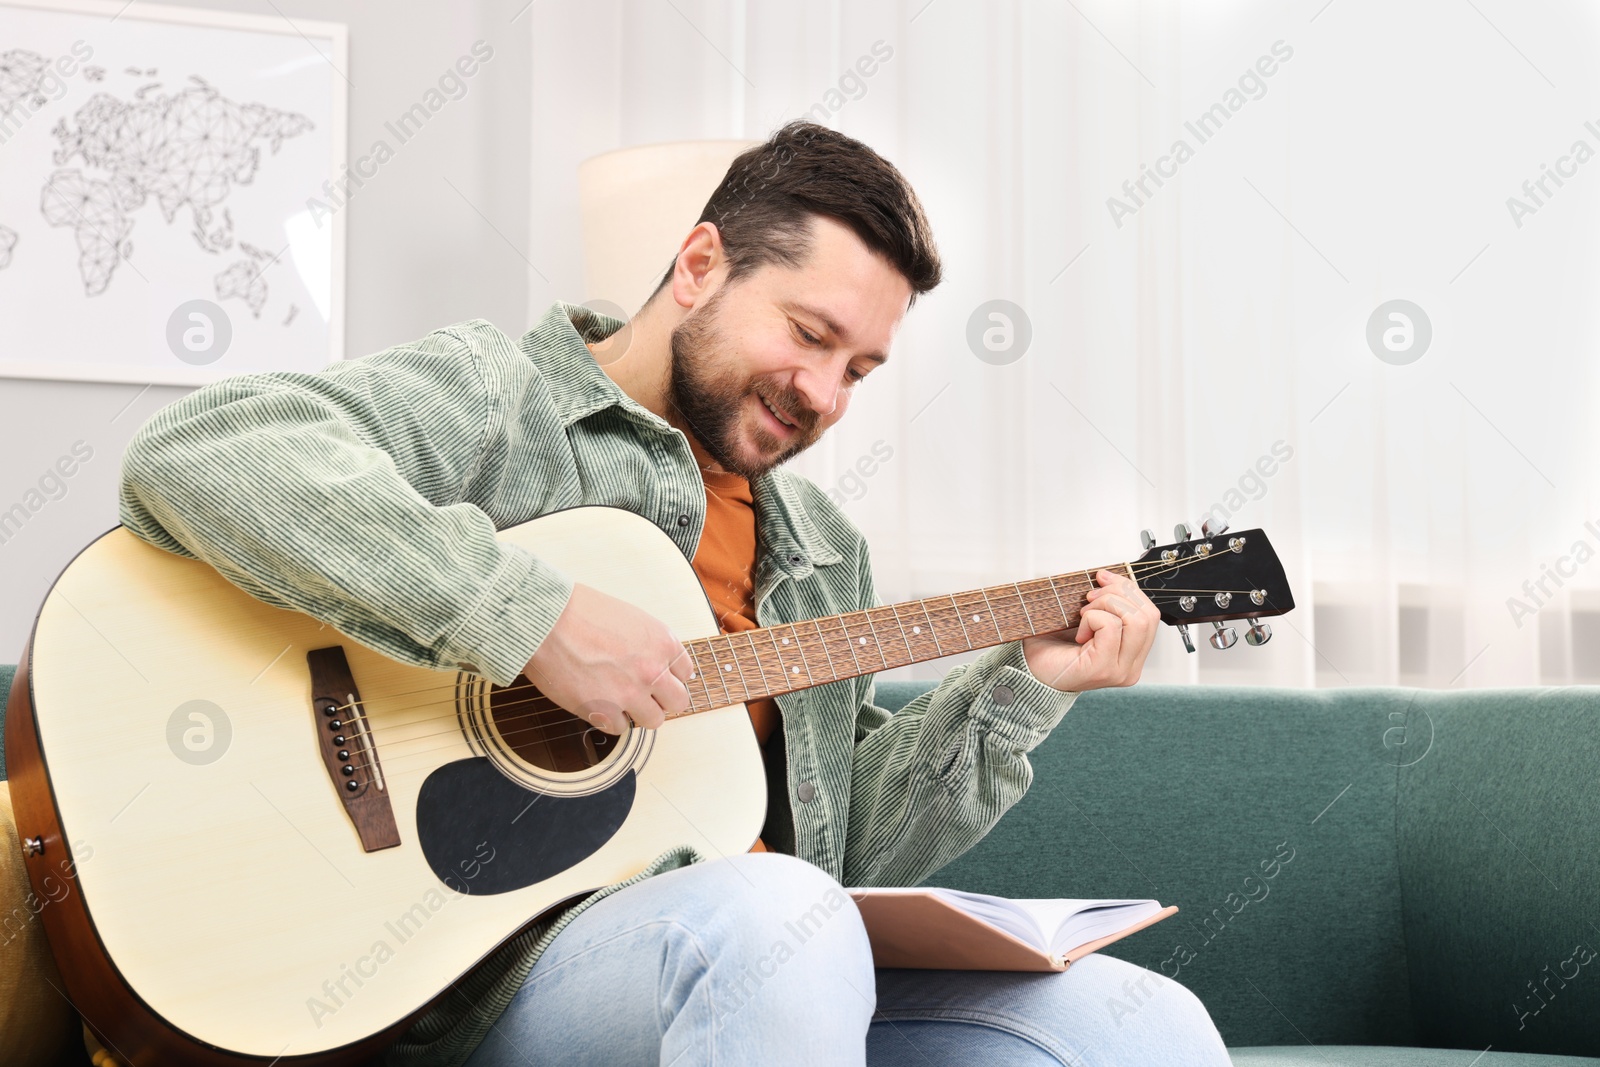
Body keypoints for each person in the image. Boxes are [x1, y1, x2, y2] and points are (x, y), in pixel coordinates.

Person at [118, 121, 1229, 1066]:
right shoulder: (502, 401)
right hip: (475, 976)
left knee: (1144, 1022)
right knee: (774, 916)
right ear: (698, 264)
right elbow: (210, 448)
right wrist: (530, 618)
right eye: (809, 334)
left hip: (764, 959)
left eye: (860, 369)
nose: (824, 393)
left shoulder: (820, 548)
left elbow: (840, 862)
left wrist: (1026, 684)